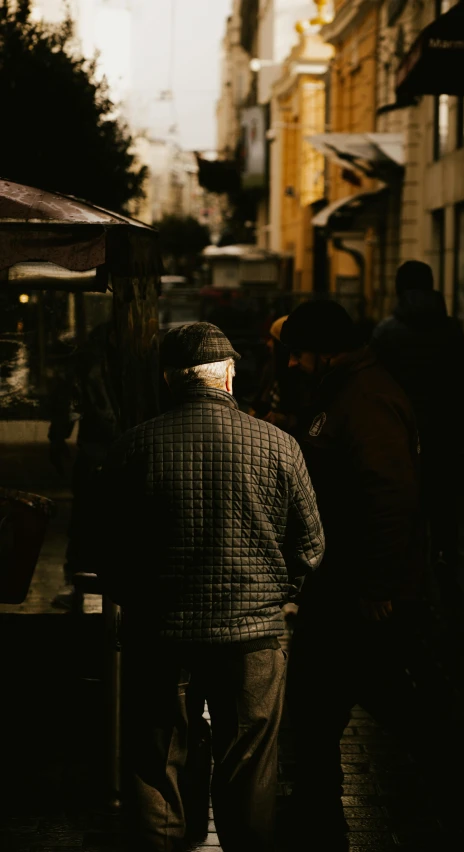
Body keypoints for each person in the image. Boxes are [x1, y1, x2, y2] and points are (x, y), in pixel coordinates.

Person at [97, 321, 324, 852]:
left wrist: (141, 598)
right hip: (254, 636)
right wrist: (277, 593)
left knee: (158, 764)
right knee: (250, 764)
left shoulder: (134, 447)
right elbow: (310, 546)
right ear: (228, 377)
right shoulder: (280, 446)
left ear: (171, 379)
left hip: (161, 635)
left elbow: (105, 550)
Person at [279, 299, 462, 847]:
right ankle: (318, 815)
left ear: (325, 351)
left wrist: (379, 585)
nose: (290, 364)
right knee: (328, 708)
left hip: (360, 592)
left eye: (297, 354)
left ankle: (450, 795)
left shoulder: (367, 397)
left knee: (372, 705)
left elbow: (391, 497)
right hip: (344, 586)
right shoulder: (345, 390)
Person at [372, 261, 464, 580]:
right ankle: (444, 558)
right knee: (444, 500)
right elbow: (462, 383)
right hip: (444, 433)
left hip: (400, 434)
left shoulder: (386, 332)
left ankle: (408, 570)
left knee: (404, 502)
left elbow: (375, 387)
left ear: (399, 288)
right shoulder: (452, 330)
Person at [48, 319, 122, 610]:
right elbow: (72, 402)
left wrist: (58, 439)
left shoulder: (93, 360)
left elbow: (70, 403)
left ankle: (79, 581)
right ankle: (81, 581)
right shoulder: (106, 361)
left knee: (86, 519)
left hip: (99, 449)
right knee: (89, 518)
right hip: (102, 449)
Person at [249, 315, 299, 433]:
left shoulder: (295, 375)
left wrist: (282, 419)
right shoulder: (271, 366)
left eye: (273, 340)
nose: (269, 344)